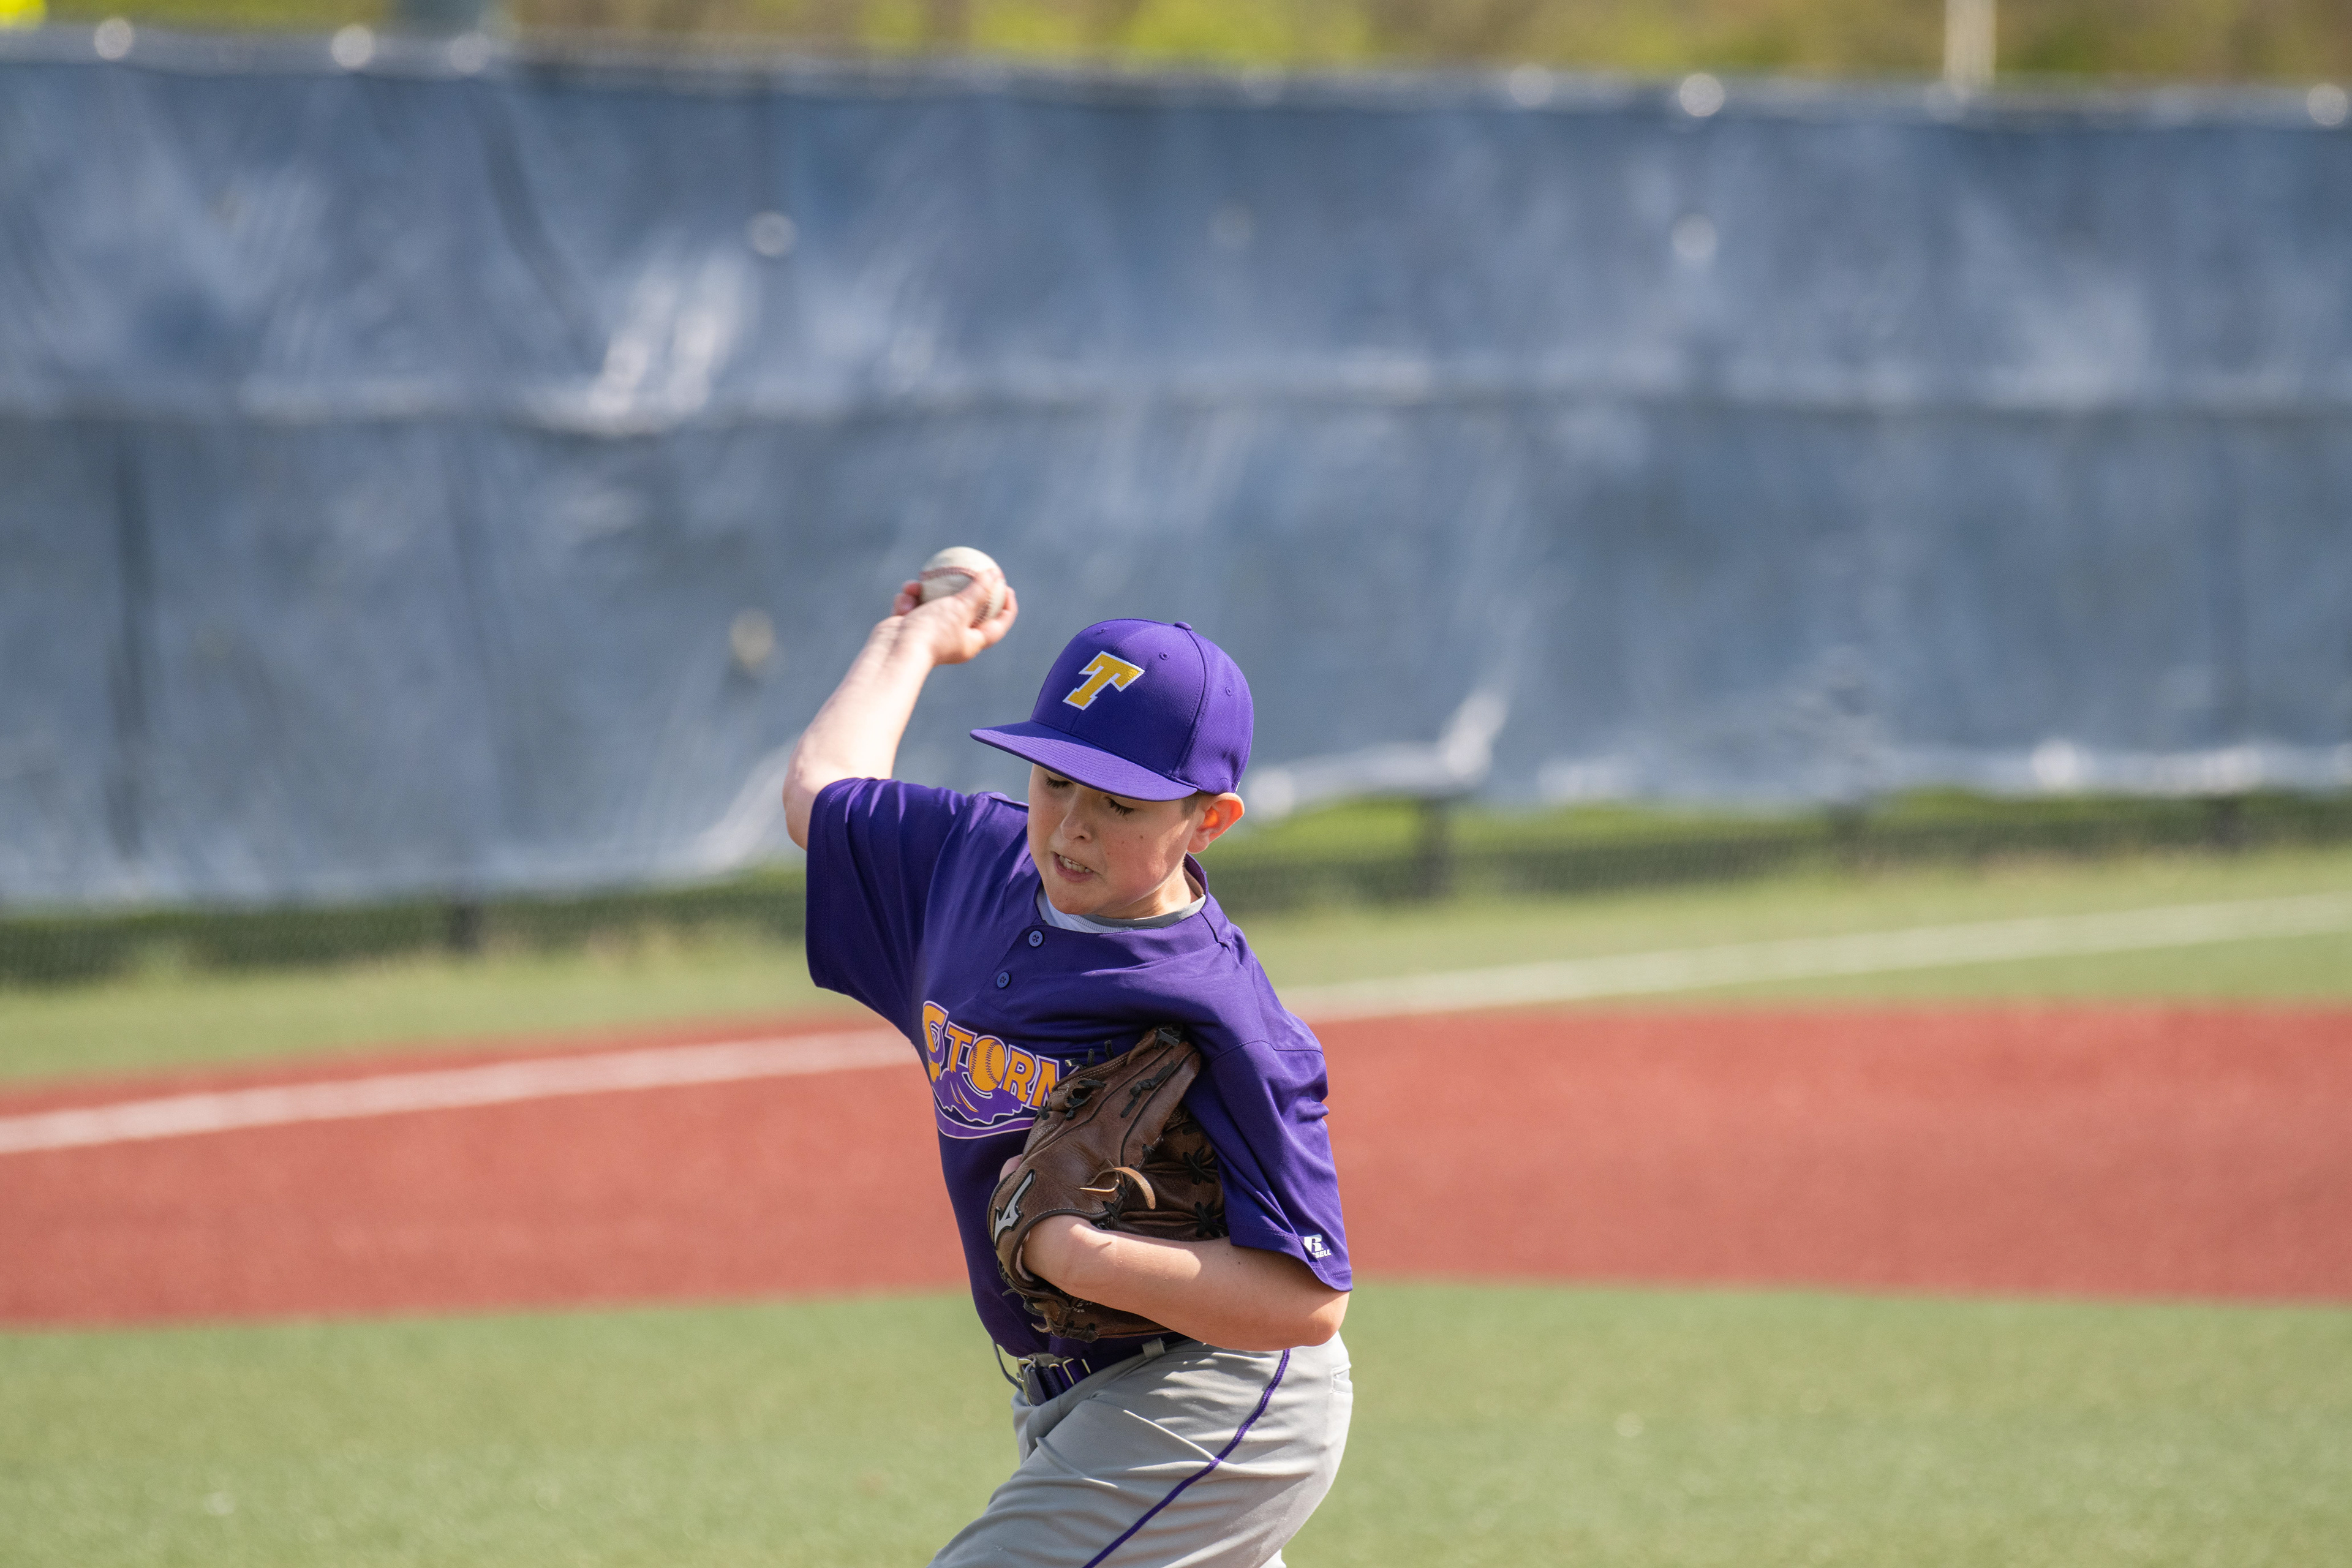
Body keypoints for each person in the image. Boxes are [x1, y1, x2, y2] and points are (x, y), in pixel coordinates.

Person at [782, 563, 1352, 1567]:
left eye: (1123, 804)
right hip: (1067, 1398)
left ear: (1209, 820)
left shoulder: (1220, 1008)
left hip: (1217, 1392)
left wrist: (1072, 1254)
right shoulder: (972, 862)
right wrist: (912, 642)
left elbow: (1307, 1302)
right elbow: (820, 796)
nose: (1074, 824)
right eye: (1054, 780)